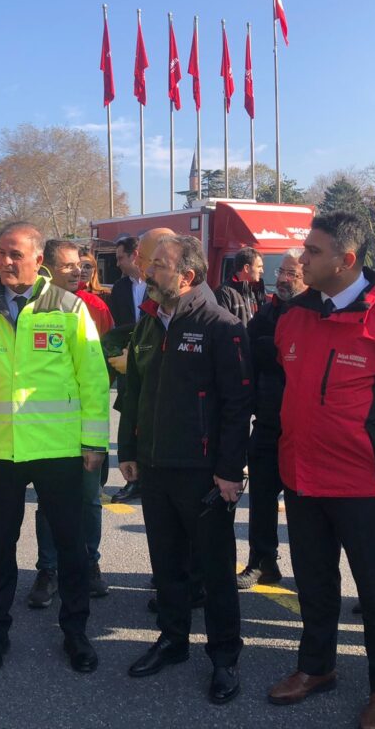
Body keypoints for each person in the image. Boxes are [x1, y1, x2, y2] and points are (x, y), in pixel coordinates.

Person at [267, 211, 375, 729]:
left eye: (313, 251)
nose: (302, 259)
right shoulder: (295, 314)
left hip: (362, 481)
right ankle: (315, 667)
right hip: (301, 475)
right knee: (313, 583)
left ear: (346, 260)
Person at [0, 221, 109, 677]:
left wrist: (94, 442)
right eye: (1, 252)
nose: (4, 261)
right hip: (1, 451)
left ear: (38, 260)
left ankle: (76, 633)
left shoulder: (69, 307)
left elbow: (93, 379)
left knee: (71, 548)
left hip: (59, 451)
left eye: (15, 254)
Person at [118, 234, 249, 704]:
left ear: (186, 276)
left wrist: (229, 470)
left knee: (215, 571)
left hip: (202, 473)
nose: (148, 272)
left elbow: (237, 405)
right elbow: (134, 391)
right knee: (167, 564)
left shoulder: (220, 326)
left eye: (158, 265)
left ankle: (224, 657)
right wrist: (128, 449)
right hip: (155, 467)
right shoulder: (150, 323)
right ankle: (173, 640)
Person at [26, 239, 112, 610]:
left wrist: (95, 438)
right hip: (49, 432)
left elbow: (99, 372)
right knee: (49, 505)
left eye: (79, 265)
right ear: (46, 267)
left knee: (90, 500)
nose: (77, 271)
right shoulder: (31, 310)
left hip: (84, 427)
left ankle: (89, 563)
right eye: (67, 266)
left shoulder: (93, 307)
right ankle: (48, 570)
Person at [237, 249, 306, 589]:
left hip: (303, 427)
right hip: (267, 421)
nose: (283, 279)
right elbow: (249, 354)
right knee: (262, 496)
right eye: (281, 272)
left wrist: (273, 349)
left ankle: (309, 572)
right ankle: (262, 562)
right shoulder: (267, 312)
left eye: (292, 274)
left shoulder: (314, 313)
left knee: (303, 505)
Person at [108, 227, 175, 504]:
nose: (140, 263)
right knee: (130, 412)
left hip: (146, 369)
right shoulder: (121, 288)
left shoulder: (171, 294)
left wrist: (135, 357)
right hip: (130, 360)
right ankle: (134, 479)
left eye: (144, 257)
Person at [214, 246, 266, 327]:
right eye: (259, 267)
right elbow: (222, 326)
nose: (262, 271)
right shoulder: (224, 292)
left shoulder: (256, 289)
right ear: (246, 268)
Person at [109, 236, 146, 329]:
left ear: (134, 255)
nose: (117, 264)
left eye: (120, 258)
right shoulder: (118, 288)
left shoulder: (156, 284)